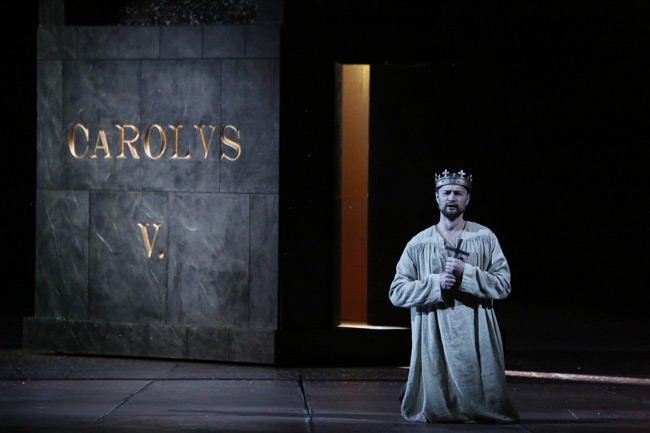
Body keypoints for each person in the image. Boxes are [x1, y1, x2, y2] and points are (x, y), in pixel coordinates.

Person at [389, 169, 519, 423]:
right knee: (438, 379)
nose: (451, 197)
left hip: (473, 328)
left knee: (474, 380)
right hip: (433, 329)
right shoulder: (418, 243)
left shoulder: (484, 238)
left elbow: (503, 285)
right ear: (437, 197)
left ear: (467, 199)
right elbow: (397, 292)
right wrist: (435, 283)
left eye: (458, 193)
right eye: (446, 192)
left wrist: (467, 273)